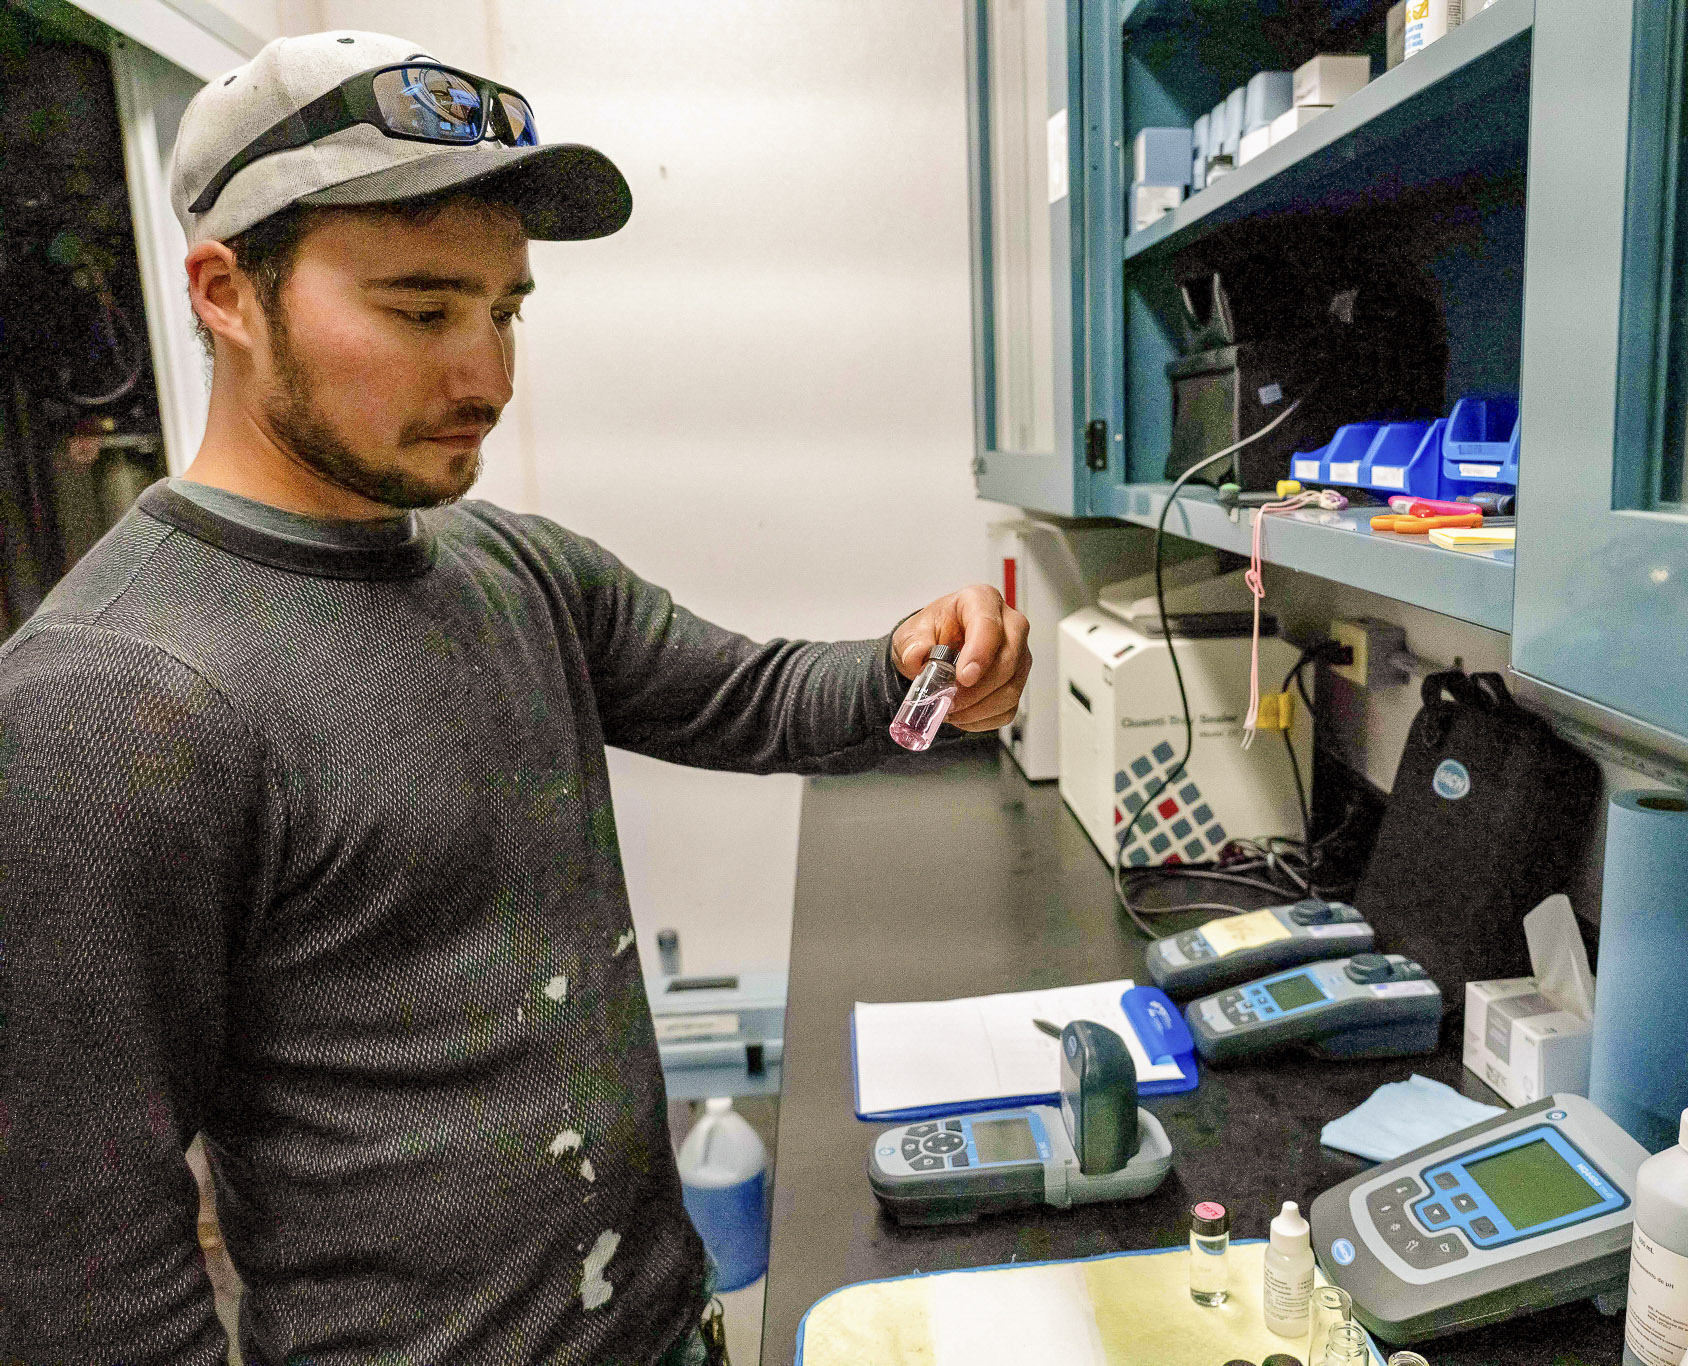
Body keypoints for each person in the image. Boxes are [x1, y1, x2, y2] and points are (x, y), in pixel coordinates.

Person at [0, 30, 1028, 1366]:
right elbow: (83, 1275)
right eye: (422, 311)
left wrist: (914, 664)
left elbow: (756, 696)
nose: (485, 374)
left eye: (506, 309)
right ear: (225, 291)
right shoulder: (108, 700)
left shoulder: (512, 567)